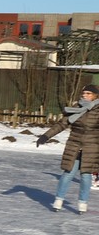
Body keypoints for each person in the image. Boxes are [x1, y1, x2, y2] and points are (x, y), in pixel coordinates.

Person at [36, 83, 98, 213]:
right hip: (74, 145)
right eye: (83, 93)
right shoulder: (76, 108)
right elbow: (62, 124)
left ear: (95, 96)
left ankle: (82, 203)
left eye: (88, 93)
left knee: (86, 176)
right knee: (68, 174)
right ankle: (58, 200)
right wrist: (46, 136)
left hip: (91, 147)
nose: (85, 95)